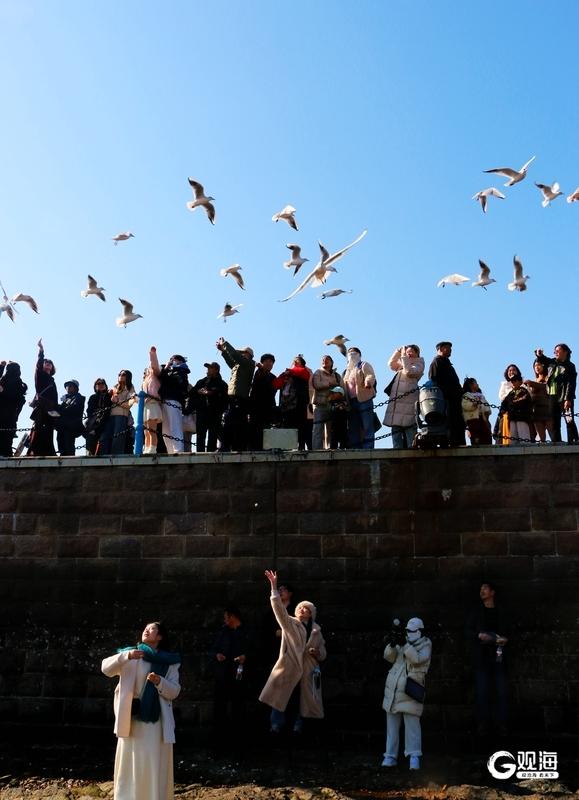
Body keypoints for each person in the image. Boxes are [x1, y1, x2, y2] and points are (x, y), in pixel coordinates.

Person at [101, 621, 181, 800]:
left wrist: (159, 681)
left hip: (156, 723)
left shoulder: (170, 661)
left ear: (160, 636)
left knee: (153, 765)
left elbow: (175, 691)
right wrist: (125, 656)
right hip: (131, 719)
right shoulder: (132, 654)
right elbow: (105, 668)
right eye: (145, 628)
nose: (146, 630)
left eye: (152, 628)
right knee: (130, 765)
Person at [259, 570, 326, 736]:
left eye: (306, 608)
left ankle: (299, 726)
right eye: (300, 607)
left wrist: (317, 653)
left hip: (308, 670)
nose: (302, 609)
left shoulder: (317, 630)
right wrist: (274, 587)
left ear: (311, 613)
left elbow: (324, 652)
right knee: (281, 695)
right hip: (291, 666)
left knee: (303, 699)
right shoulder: (291, 624)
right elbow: (279, 611)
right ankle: (276, 726)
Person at [382, 617, 431, 771]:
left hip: (410, 690)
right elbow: (389, 657)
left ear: (420, 631)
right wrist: (392, 644)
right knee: (391, 727)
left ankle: (414, 756)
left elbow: (418, 660)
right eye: (407, 631)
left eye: (412, 631)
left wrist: (406, 645)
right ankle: (390, 756)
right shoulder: (404, 642)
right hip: (394, 689)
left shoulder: (426, 644)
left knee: (412, 727)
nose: (409, 634)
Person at [465, 582, 510, 737]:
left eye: (485, 589)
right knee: (482, 692)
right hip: (482, 658)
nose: (482, 591)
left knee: (501, 692)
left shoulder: (501, 612)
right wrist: (479, 635)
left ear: (493, 592)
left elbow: (510, 631)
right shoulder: (476, 612)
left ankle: (502, 724)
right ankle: (482, 725)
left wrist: (505, 639)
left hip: (499, 656)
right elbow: (468, 631)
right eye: (480, 589)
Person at [211, 606, 251, 753]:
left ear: (232, 616)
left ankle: (238, 747)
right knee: (219, 711)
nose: (225, 620)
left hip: (239, 677)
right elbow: (214, 649)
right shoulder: (223, 632)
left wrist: (245, 657)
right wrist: (217, 655)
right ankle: (219, 746)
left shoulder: (247, 632)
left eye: (226, 617)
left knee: (238, 711)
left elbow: (255, 650)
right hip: (223, 676)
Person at [535, 344, 578, 444]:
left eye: (558, 351)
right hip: (552, 396)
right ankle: (556, 442)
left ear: (565, 352)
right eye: (555, 351)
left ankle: (573, 441)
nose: (555, 353)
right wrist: (539, 355)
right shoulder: (553, 363)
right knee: (554, 422)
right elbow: (544, 360)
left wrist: (568, 399)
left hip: (564, 397)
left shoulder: (570, 366)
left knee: (569, 420)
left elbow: (571, 383)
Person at [216, 339, 255, 452]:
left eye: (243, 352)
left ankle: (227, 447)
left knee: (231, 421)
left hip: (239, 398)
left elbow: (234, 354)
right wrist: (223, 351)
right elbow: (230, 360)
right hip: (234, 398)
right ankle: (234, 446)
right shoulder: (240, 365)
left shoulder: (248, 364)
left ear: (248, 355)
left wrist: (225, 344)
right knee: (234, 422)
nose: (241, 354)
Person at [383, 345, 424, 449]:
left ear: (417, 353)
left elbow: (409, 371)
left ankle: (412, 449)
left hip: (409, 400)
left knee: (409, 425)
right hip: (397, 401)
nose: (408, 354)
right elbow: (391, 364)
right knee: (395, 425)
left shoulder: (419, 363)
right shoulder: (403, 362)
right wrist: (397, 352)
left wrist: (403, 356)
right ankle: (396, 449)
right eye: (407, 352)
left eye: (411, 352)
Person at [150, 348, 190, 454]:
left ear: (180, 361)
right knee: (166, 430)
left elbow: (171, 381)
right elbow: (162, 377)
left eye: (174, 359)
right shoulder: (170, 371)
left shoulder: (181, 372)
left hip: (174, 401)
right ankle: (170, 451)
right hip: (165, 401)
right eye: (171, 359)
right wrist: (166, 368)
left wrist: (166, 369)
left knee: (174, 426)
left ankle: (178, 450)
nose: (172, 361)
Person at [428, 341, 464, 447]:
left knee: (457, 421)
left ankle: (457, 441)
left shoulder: (447, 363)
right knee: (450, 421)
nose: (450, 350)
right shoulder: (437, 362)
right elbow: (434, 380)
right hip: (447, 399)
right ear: (441, 349)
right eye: (447, 348)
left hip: (454, 398)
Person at [273, 355, 313, 450]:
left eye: (297, 361)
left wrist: (291, 371)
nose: (295, 362)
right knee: (287, 427)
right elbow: (276, 384)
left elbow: (304, 373)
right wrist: (284, 375)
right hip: (286, 406)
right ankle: (286, 447)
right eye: (294, 361)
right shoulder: (286, 374)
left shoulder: (304, 371)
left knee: (301, 427)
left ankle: (301, 447)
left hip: (299, 405)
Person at [28, 339, 58, 456]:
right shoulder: (39, 376)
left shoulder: (52, 380)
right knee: (39, 429)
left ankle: (49, 452)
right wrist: (41, 350)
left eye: (50, 363)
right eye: (46, 362)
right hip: (42, 407)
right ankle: (34, 451)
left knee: (49, 431)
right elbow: (39, 364)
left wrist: (56, 408)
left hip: (50, 408)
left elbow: (54, 397)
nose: (48, 364)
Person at [343, 346, 377, 449]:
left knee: (367, 425)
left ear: (359, 355)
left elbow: (370, 375)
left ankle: (368, 447)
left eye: (354, 353)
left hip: (364, 399)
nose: (351, 354)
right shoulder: (347, 371)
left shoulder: (363, 365)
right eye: (349, 353)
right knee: (353, 426)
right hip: (352, 401)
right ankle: (355, 447)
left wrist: (368, 382)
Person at [311, 354, 346, 449]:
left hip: (333, 406)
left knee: (331, 430)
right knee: (318, 429)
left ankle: (330, 449)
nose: (324, 361)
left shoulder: (337, 376)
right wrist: (330, 383)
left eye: (327, 359)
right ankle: (316, 451)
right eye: (323, 360)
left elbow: (343, 390)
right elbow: (316, 384)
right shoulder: (318, 372)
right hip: (320, 405)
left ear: (332, 363)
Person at [192, 362, 228, 452]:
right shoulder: (201, 382)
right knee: (200, 436)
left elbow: (225, 400)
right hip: (202, 413)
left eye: (210, 368)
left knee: (212, 436)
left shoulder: (222, 384)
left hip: (215, 414)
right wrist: (198, 392)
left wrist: (211, 393)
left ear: (216, 370)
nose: (208, 370)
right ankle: (199, 456)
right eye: (208, 368)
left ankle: (211, 455)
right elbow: (192, 393)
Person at [100, 370, 136, 455]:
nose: (120, 376)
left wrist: (117, 401)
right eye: (119, 374)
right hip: (109, 416)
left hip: (121, 416)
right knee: (105, 437)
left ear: (128, 377)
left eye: (123, 374)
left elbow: (129, 404)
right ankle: (103, 456)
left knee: (118, 438)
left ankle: (116, 457)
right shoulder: (114, 387)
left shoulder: (130, 388)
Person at [249, 353, 278, 450]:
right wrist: (261, 369)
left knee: (266, 433)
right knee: (255, 432)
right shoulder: (258, 373)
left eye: (271, 362)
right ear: (262, 363)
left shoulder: (273, 377)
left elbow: (273, 391)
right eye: (267, 361)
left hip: (268, 410)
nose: (269, 364)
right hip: (256, 409)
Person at [0, 361, 27, 457]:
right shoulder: (19, 383)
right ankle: (6, 453)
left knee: (5, 435)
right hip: (11, 414)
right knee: (7, 436)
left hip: (7, 413)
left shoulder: (7, 381)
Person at [523, 360, 553, 443]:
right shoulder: (534, 380)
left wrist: (531, 383)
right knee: (541, 439)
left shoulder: (548, 378)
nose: (537, 367)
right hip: (536, 410)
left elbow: (547, 387)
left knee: (553, 436)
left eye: (539, 365)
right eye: (535, 366)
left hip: (547, 409)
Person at [499, 374, 532, 446]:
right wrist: (502, 410)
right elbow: (504, 402)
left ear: (520, 382)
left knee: (523, 434)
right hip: (512, 417)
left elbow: (523, 400)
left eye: (515, 381)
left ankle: (526, 448)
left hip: (522, 417)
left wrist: (512, 403)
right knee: (513, 435)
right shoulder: (511, 393)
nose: (513, 383)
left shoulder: (524, 391)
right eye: (512, 381)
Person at [55, 380, 86, 456]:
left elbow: (73, 409)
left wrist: (61, 410)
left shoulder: (80, 398)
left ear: (76, 388)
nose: (68, 387)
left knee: (68, 445)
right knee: (60, 442)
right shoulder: (66, 399)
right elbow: (61, 410)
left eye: (70, 385)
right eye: (67, 386)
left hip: (71, 427)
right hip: (62, 427)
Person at [85, 379, 112, 456]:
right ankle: (89, 456)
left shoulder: (109, 396)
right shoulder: (93, 397)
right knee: (91, 440)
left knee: (103, 441)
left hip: (105, 423)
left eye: (102, 383)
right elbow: (89, 411)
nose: (100, 385)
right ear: (95, 386)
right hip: (94, 423)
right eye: (98, 384)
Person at [461, 377, 492, 446]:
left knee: (486, 434)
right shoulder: (466, 395)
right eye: (475, 383)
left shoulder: (481, 395)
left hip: (483, 418)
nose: (477, 384)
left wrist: (487, 412)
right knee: (475, 435)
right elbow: (465, 406)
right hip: (472, 419)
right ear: (471, 385)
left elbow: (486, 405)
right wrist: (473, 405)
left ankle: (487, 446)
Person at [141, 364, 163, 455]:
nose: (145, 372)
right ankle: (147, 448)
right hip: (146, 406)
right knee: (146, 432)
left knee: (151, 430)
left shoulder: (154, 379)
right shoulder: (145, 381)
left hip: (152, 405)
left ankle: (153, 448)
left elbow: (155, 394)